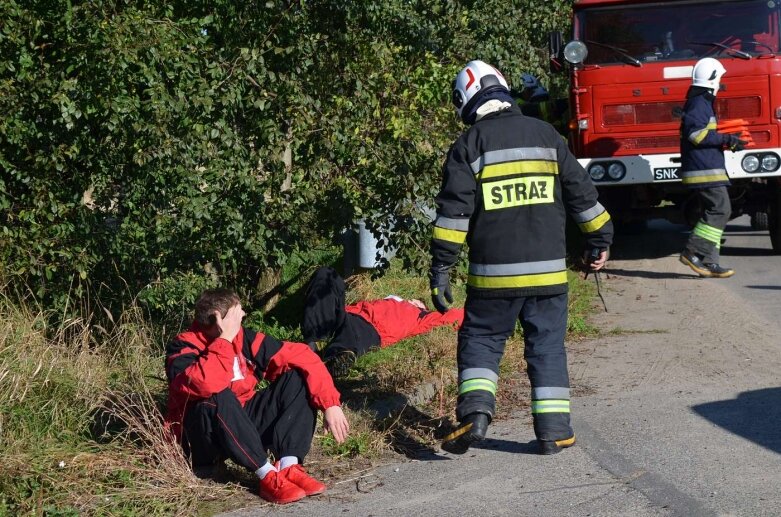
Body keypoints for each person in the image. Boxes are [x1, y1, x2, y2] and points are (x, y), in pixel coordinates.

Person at [430, 60, 614, 455]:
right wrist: (599, 240)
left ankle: (476, 414)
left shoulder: (469, 145)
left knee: (481, 340)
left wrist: (442, 266)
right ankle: (554, 432)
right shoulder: (545, 134)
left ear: (467, 100)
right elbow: (582, 195)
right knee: (547, 347)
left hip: (492, 278)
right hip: (549, 276)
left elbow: (453, 215)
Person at [164, 288, 350, 505]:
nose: (242, 317)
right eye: (236, 315)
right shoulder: (183, 346)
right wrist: (224, 339)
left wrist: (330, 404)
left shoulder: (244, 339)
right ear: (219, 319)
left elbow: (302, 356)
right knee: (217, 393)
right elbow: (205, 383)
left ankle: (288, 467)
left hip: (240, 424)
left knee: (297, 376)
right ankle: (266, 475)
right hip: (203, 438)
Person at [302, 266, 464, 378]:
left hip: (373, 328)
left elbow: (456, 316)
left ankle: (331, 361)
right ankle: (313, 342)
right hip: (349, 313)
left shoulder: (421, 316)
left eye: (419, 302)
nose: (415, 301)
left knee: (350, 342)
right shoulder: (384, 301)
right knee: (327, 274)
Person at [678, 57, 745, 278]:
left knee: (716, 212)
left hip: (707, 166)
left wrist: (727, 141)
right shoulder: (699, 103)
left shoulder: (702, 102)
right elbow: (695, 134)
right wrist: (725, 138)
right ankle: (692, 251)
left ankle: (709, 262)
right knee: (721, 209)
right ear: (713, 79)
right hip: (703, 170)